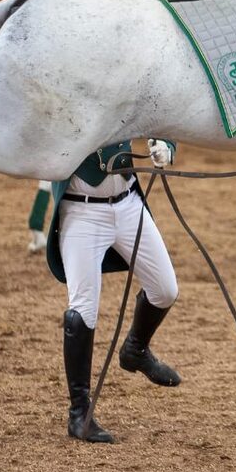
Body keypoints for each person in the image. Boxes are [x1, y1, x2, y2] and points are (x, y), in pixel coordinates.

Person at [46, 138, 182, 444]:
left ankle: (135, 349)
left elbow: (159, 108)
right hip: (81, 212)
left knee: (165, 289)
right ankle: (80, 413)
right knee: (82, 310)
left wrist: (167, 145)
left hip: (128, 203)